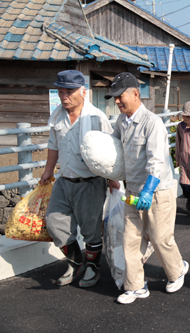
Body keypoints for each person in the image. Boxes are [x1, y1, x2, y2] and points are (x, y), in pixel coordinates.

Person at [106, 72, 188, 304]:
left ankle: (177, 270)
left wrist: (148, 190)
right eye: (114, 98)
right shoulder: (121, 122)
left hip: (157, 191)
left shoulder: (152, 123)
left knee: (159, 238)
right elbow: (114, 150)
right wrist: (109, 174)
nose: (117, 102)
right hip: (132, 191)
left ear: (135, 93)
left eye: (120, 96)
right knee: (130, 240)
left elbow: (156, 159)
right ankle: (135, 286)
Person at [42, 70, 113, 288]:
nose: (64, 96)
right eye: (61, 91)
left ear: (83, 92)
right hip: (64, 181)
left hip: (90, 183)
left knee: (91, 230)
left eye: (69, 91)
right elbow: (54, 146)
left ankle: (93, 267)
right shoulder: (57, 115)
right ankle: (75, 262)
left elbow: (111, 150)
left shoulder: (96, 117)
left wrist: (113, 178)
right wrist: (48, 171)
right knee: (54, 223)